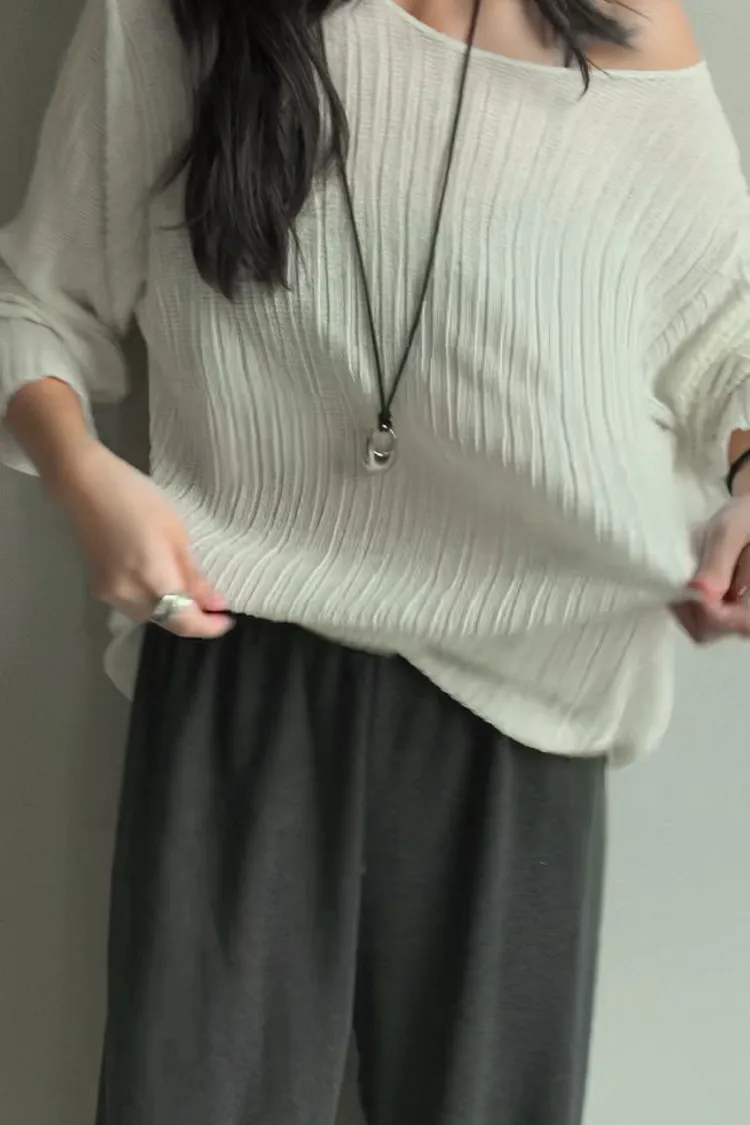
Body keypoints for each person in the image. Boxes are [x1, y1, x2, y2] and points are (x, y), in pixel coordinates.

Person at [1, 0, 750, 1122]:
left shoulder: (621, 23)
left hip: (532, 693)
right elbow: (37, 301)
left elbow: (728, 334)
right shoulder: (179, 17)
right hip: (240, 657)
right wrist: (82, 478)